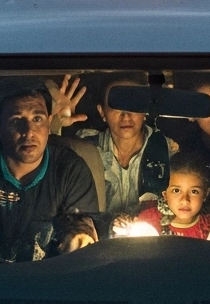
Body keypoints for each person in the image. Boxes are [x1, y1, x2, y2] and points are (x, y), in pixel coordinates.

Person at [0, 78, 97, 264]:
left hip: (51, 282)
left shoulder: (71, 170)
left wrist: (77, 240)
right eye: (16, 120)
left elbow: (82, 227)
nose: (29, 132)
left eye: (37, 119)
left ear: (49, 123)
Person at [68, 77, 176, 213]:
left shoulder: (168, 152)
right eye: (116, 106)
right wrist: (56, 125)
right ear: (102, 112)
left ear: (145, 111)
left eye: (134, 105)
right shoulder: (83, 149)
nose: (126, 116)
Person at [133, 152, 210, 238]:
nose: (185, 200)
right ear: (164, 193)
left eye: (194, 191)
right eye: (176, 191)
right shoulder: (148, 220)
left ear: (206, 194)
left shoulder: (209, 227)